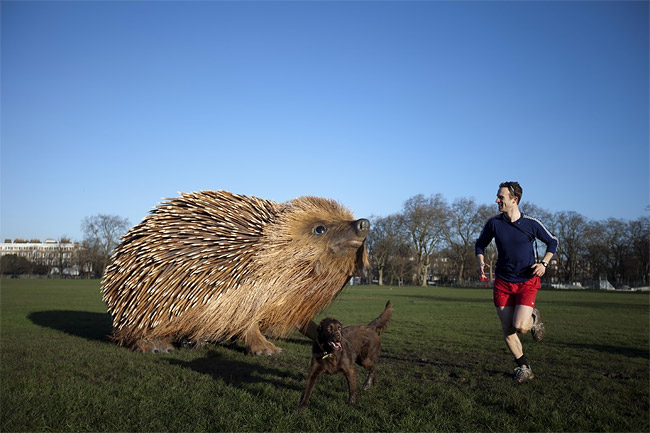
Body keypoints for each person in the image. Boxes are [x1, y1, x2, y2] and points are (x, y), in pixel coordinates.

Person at [475, 181, 558, 384]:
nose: (497, 200)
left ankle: (532, 315)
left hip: (526, 281)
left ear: (514, 199)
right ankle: (524, 367)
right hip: (503, 282)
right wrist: (481, 263)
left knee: (521, 327)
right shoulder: (494, 223)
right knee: (508, 330)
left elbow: (552, 241)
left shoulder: (531, 224)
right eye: (497, 196)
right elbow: (480, 244)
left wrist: (544, 264)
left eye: (501, 197)